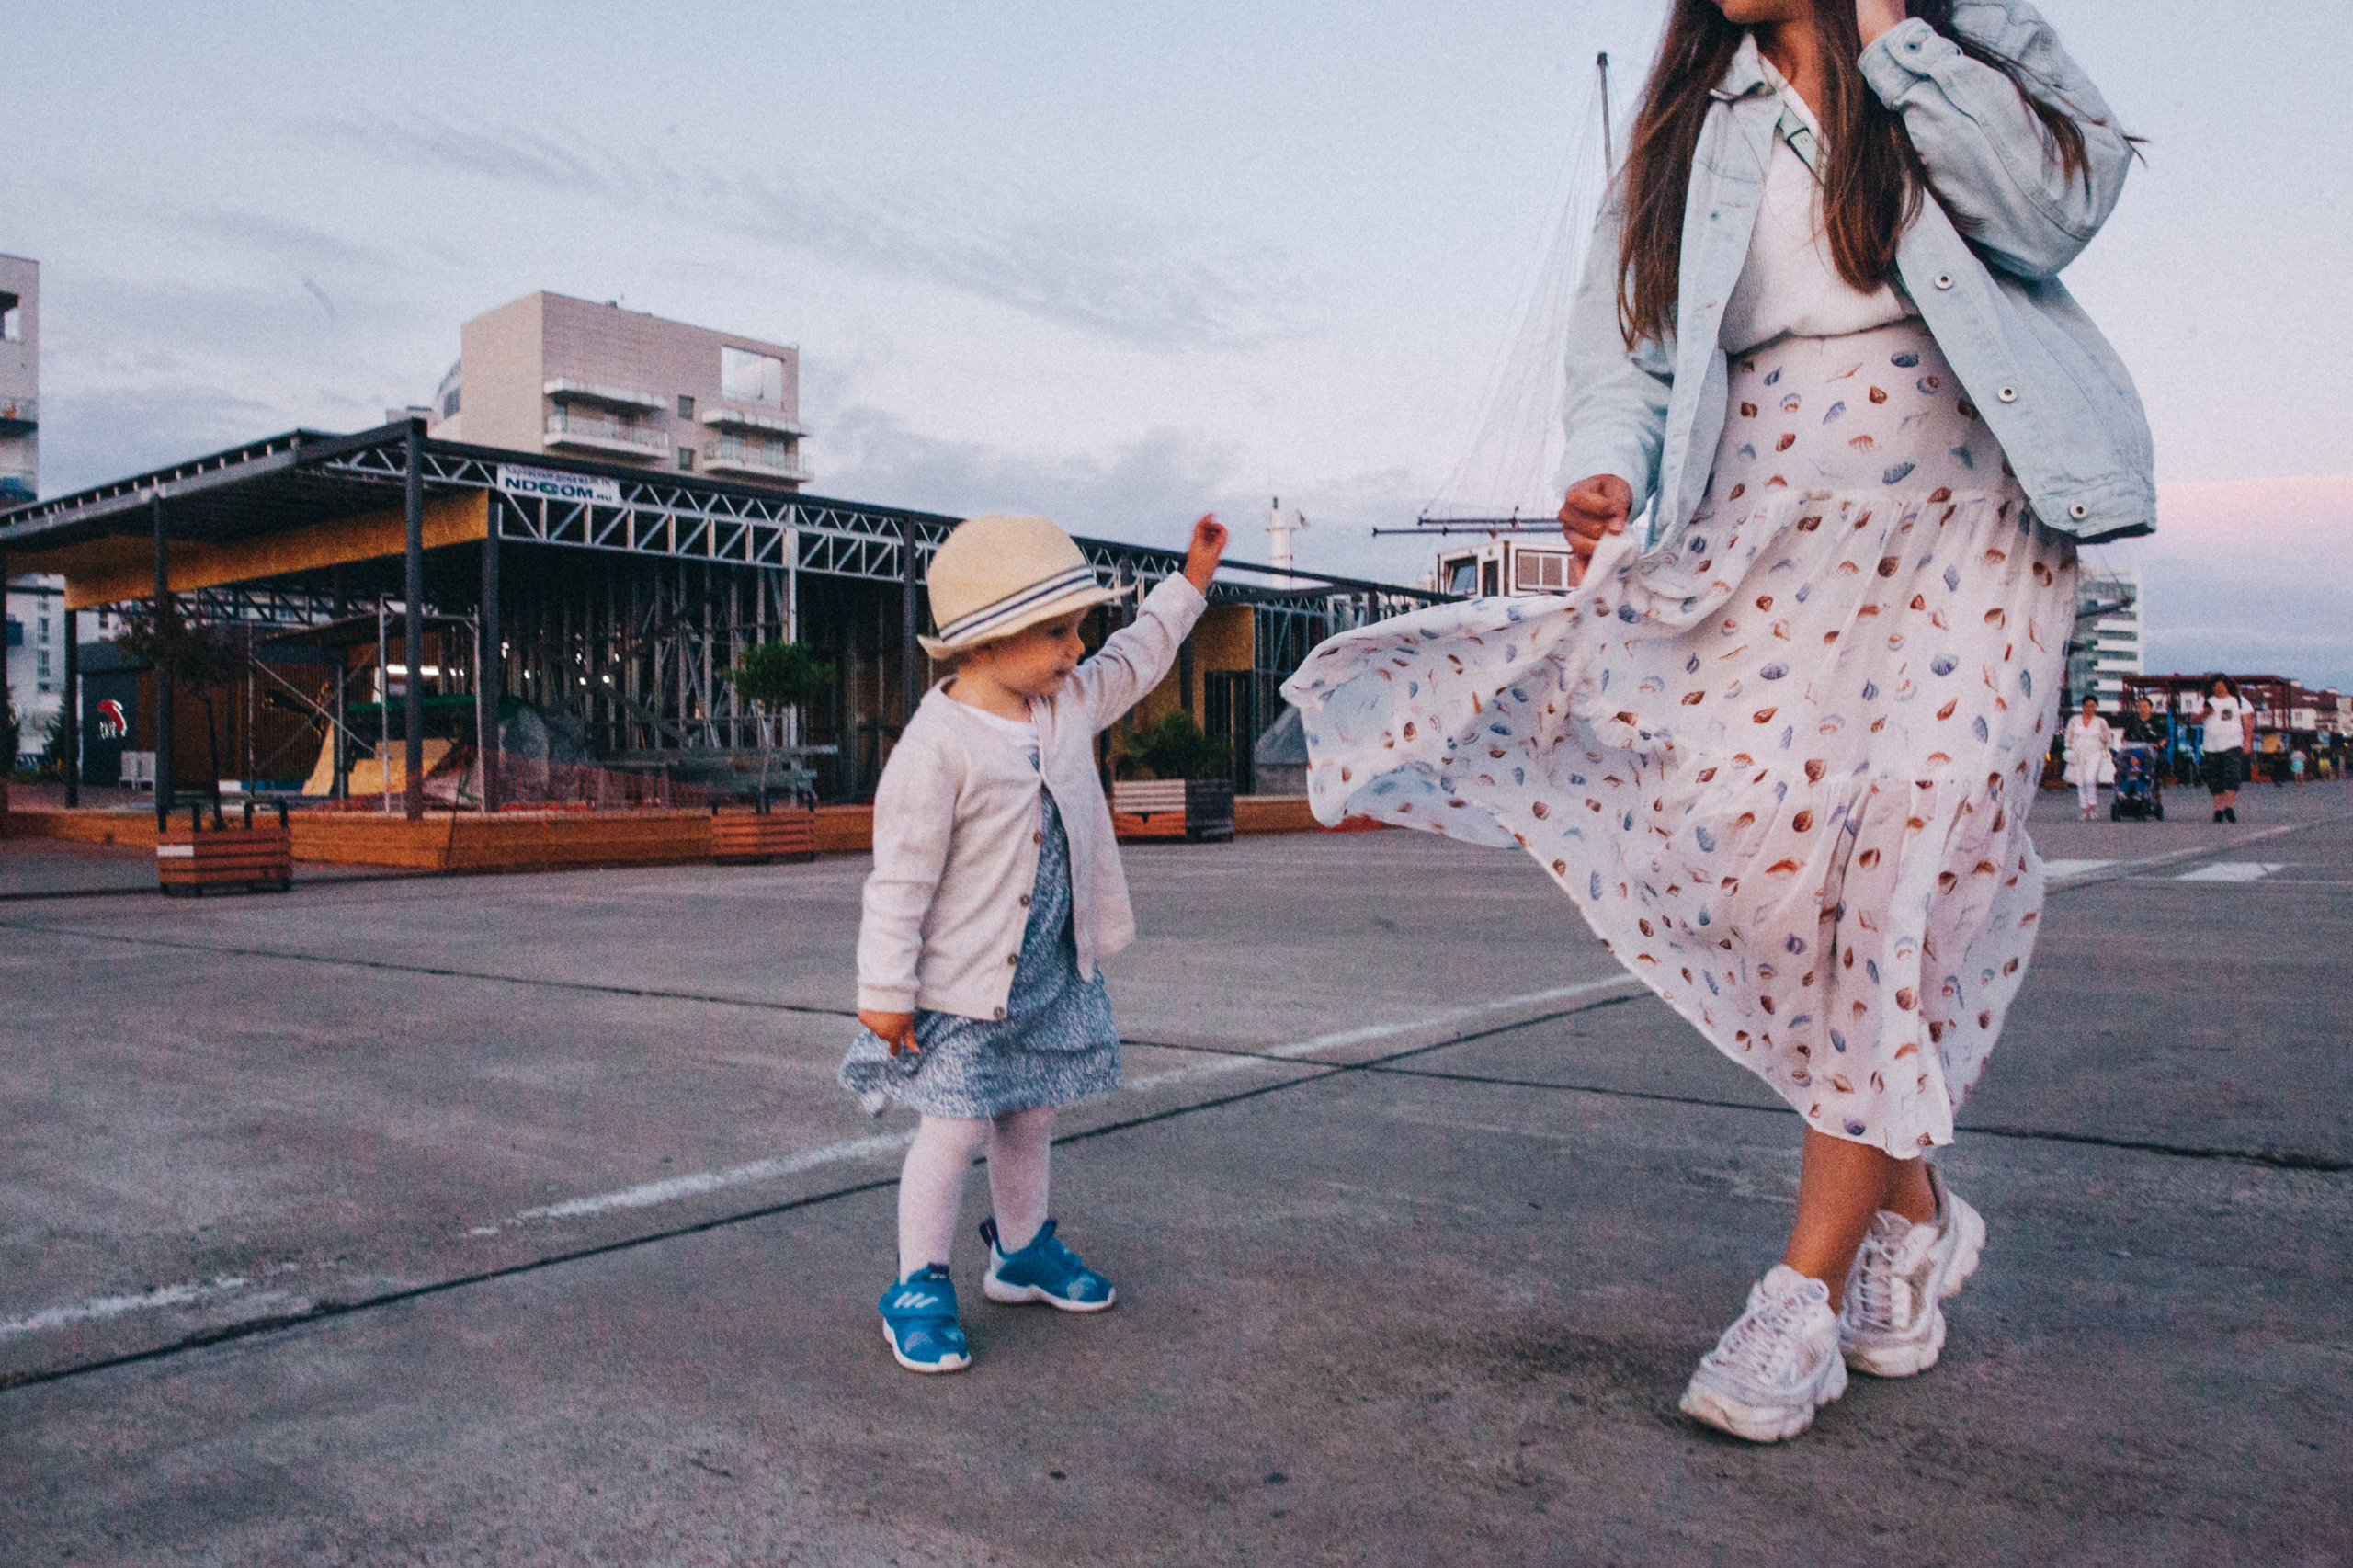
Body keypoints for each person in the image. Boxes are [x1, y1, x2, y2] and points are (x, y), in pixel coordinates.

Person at [1285, 0, 2148, 1442]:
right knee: (1757, 874)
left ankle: (1799, 1298)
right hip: (1765, 516)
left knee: (1897, 869)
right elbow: (1625, 345)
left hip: (1969, 516)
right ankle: (1909, 1207)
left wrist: (1899, 35)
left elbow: (2056, 210)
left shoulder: (1942, 50)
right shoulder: (1695, 122)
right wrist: (1605, 471)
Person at [844, 510, 1228, 1373]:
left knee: (1033, 1112)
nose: (1074, 648)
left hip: (1050, 968)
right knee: (953, 1129)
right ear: (982, 638)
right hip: (961, 985)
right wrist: (884, 988)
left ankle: (1018, 1252)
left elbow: (1136, 658)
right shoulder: (936, 746)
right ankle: (916, 1284)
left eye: (1076, 628)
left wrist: (1191, 584)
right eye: (1054, 632)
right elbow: (899, 879)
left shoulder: (1064, 702)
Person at [2200, 675, 2248, 822]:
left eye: (2221, 685)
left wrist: (2248, 741)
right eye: (2215, 685)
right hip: (2211, 745)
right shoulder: (2205, 701)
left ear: (2228, 686)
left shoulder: (2238, 700)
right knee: (2214, 778)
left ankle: (2229, 807)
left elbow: (2248, 722)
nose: (2218, 688)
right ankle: (2218, 810)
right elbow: (2194, 718)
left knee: (2231, 774)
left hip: (2233, 744)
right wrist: (2205, 713)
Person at [2064, 698, 2116, 820]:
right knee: (2080, 782)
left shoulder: (2100, 721)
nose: (2090, 709)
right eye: (2087, 706)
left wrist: (2106, 747)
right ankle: (2084, 810)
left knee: (2089, 779)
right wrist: (2068, 748)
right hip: (2078, 754)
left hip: (2095, 753)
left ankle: (2093, 808)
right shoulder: (2074, 720)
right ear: (2083, 706)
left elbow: (2108, 737)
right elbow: (2068, 735)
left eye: (2093, 706)